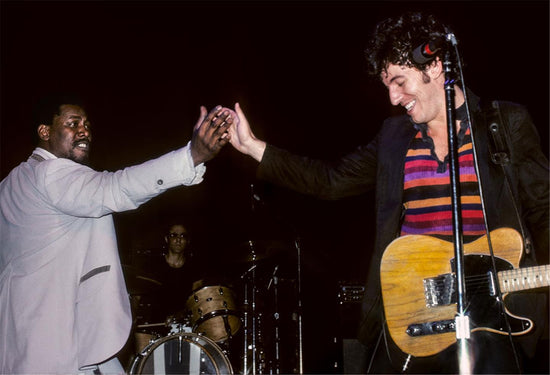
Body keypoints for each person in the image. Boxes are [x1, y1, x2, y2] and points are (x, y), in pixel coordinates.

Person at [228, 11, 549, 374]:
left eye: (399, 81)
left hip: (491, 319)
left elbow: (544, 209)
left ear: (436, 65)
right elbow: (330, 180)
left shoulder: (503, 125)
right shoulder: (394, 138)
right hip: (411, 315)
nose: (394, 98)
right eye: (388, 87)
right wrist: (254, 147)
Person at [0, 94, 234, 374]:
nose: (84, 130)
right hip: (58, 344)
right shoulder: (52, 173)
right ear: (45, 131)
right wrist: (191, 156)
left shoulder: (9, 184)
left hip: (16, 344)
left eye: (87, 124)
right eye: (73, 123)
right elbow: (117, 187)